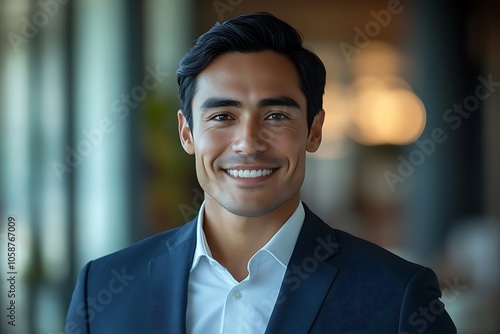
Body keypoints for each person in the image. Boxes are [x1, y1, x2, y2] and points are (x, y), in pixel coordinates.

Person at [65, 12, 457, 333]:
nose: (248, 143)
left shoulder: (398, 297)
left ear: (314, 130)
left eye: (275, 115)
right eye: (222, 116)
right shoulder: (102, 289)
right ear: (187, 133)